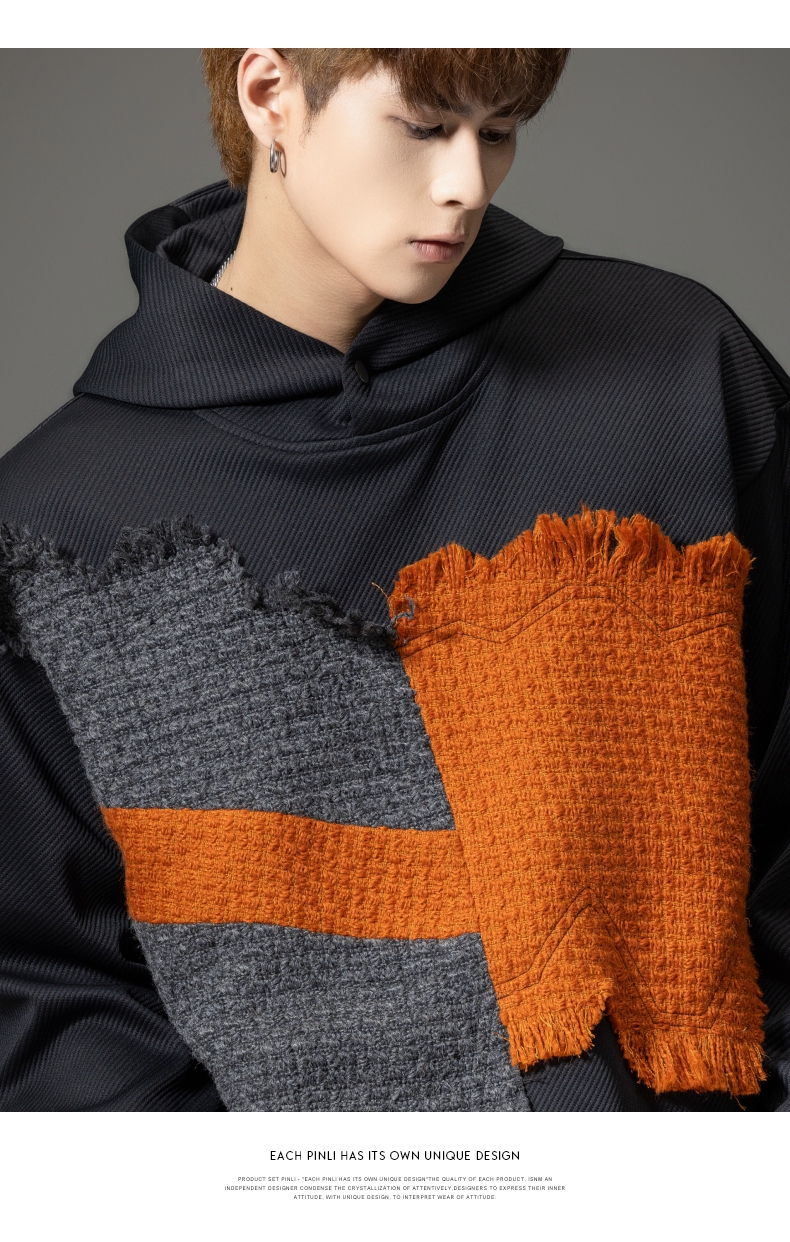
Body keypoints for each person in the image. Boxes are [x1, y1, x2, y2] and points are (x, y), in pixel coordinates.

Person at [1, 47, 788, 1112]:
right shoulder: (54, 518)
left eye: (498, 131)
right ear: (270, 94)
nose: (466, 182)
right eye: (423, 126)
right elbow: (39, 980)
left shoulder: (677, 367)